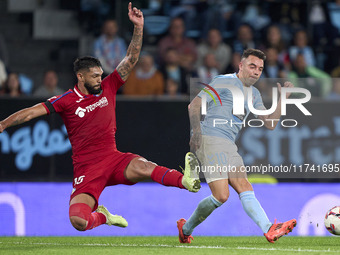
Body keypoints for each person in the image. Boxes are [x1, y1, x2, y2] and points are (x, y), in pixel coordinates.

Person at [0, 2, 200, 232]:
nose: (99, 79)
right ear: (80, 77)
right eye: (94, 76)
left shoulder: (109, 86)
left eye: (100, 75)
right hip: (87, 169)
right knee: (79, 221)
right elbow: (31, 112)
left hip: (113, 159)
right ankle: (104, 216)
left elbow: (131, 59)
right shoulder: (65, 100)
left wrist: (139, 27)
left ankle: (185, 181)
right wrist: (4, 124)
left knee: (144, 166)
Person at [177, 48, 296, 244]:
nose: (256, 72)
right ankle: (186, 228)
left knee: (244, 186)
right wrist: (196, 133)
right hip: (210, 138)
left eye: (260, 68)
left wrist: (283, 98)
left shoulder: (254, 94)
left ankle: (269, 229)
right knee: (221, 195)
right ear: (240, 66)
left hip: (229, 145)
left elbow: (270, 123)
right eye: (252, 66)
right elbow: (194, 106)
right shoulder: (223, 81)